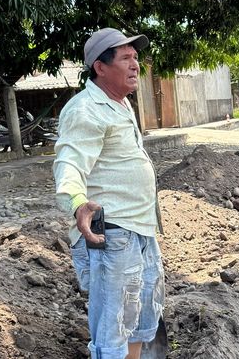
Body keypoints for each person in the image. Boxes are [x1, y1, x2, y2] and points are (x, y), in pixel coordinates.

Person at [53, 28, 165, 359]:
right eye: (126, 58)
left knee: (141, 316)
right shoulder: (86, 108)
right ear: (100, 68)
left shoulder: (119, 104)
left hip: (140, 230)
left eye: (136, 57)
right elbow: (69, 164)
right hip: (112, 236)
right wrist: (76, 204)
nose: (136, 65)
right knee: (112, 329)